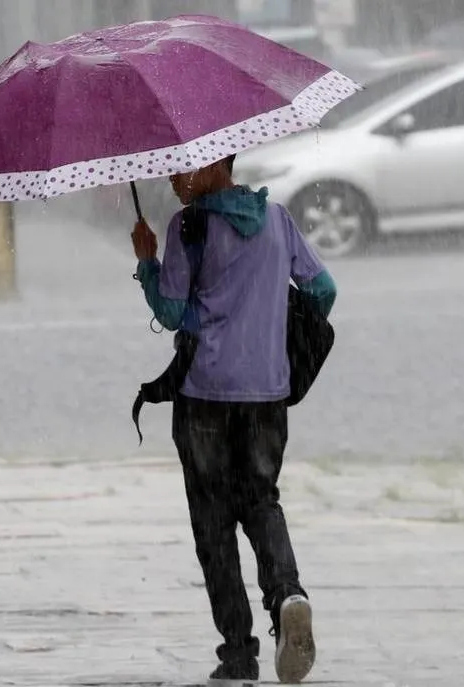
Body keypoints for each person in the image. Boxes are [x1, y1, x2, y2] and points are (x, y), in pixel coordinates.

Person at [130, 154, 337, 685]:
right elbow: (322, 291)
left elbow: (172, 312)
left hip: (204, 395)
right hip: (267, 392)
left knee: (213, 523)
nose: (173, 179)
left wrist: (148, 263)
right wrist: (268, 319)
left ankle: (238, 654)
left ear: (216, 164)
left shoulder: (189, 226)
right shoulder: (277, 219)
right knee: (262, 500)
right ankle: (288, 594)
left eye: (181, 169)